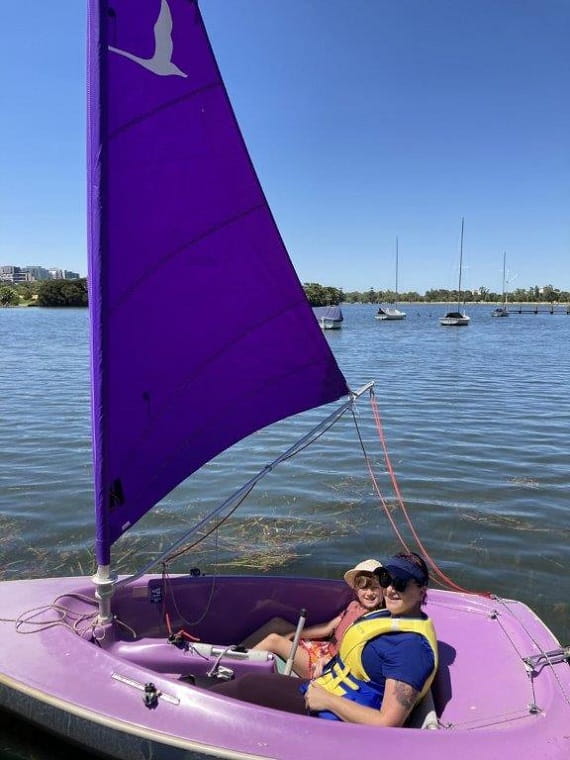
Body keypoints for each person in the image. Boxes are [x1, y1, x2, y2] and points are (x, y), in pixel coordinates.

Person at [210, 552, 438, 728]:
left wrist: (328, 701)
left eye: (401, 583)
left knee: (247, 690)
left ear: (421, 591)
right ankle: (199, 684)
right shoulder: (387, 618)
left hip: (328, 711)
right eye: (387, 580)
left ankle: (196, 699)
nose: (390, 589)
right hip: (323, 687)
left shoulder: (411, 649)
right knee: (250, 683)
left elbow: (388, 722)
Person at [243, 559, 384, 678]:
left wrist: (328, 662)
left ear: (383, 590)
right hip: (322, 648)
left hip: (327, 665)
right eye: (364, 588)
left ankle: (237, 666)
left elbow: (357, 654)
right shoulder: (353, 606)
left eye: (375, 588)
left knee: (274, 640)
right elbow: (327, 629)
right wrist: (295, 634)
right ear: (356, 589)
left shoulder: (375, 619)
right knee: (277, 624)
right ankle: (237, 653)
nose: (369, 593)